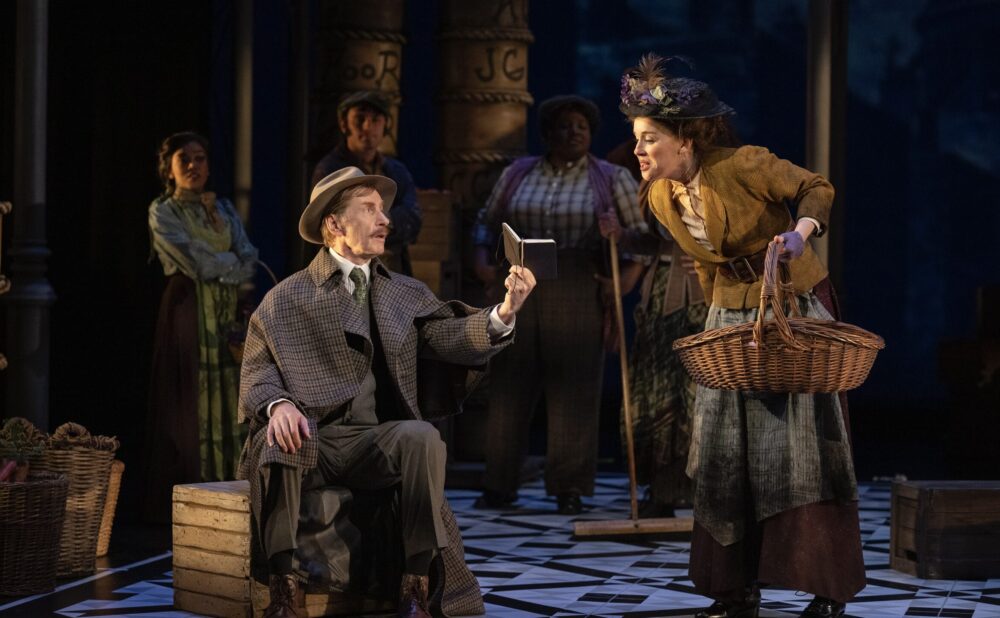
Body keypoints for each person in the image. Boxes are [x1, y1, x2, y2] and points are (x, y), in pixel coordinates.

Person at [618, 54, 865, 618]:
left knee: (800, 446)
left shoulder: (741, 164)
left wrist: (801, 235)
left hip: (792, 304)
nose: (638, 151)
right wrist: (719, 324)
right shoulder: (659, 197)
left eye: (649, 139)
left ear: (685, 141)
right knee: (723, 449)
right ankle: (735, 590)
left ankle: (827, 589)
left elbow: (815, 187)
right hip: (731, 317)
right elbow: (706, 264)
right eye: (637, 138)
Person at [238, 166, 536, 618]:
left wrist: (504, 311)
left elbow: (451, 335)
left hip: (371, 441)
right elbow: (258, 370)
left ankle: (414, 585)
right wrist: (278, 405)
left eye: (384, 210)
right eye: (370, 209)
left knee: (421, 436)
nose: (385, 220)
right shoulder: (287, 297)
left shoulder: (403, 292)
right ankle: (285, 587)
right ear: (334, 225)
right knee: (282, 440)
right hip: (313, 435)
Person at [471, 95, 648, 515]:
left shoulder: (609, 178)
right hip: (519, 280)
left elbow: (640, 240)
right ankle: (499, 483)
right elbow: (485, 220)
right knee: (510, 383)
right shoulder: (519, 173)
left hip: (577, 281)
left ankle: (568, 486)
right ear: (548, 133)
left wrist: (620, 262)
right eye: (565, 126)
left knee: (575, 389)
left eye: (581, 127)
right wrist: (480, 262)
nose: (574, 133)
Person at [146, 131, 258, 521]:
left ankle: (233, 486)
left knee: (232, 388)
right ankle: (193, 491)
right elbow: (194, 263)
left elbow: (250, 256)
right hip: (187, 309)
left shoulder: (224, 208)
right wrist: (227, 262)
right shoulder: (163, 210)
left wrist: (224, 263)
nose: (194, 166)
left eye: (200, 157)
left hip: (227, 311)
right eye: (184, 159)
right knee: (189, 397)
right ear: (169, 168)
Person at [604, 141, 710, 518]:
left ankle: (699, 490)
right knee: (656, 393)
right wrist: (622, 235)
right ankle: (662, 488)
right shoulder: (653, 180)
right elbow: (650, 240)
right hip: (661, 293)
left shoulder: (710, 179)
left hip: (704, 295)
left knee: (696, 394)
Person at [311, 90, 421, 275]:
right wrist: (387, 223)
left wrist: (369, 220)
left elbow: (413, 219)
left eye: (376, 120)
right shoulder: (331, 171)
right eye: (359, 119)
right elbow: (335, 227)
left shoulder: (396, 171)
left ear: (385, 125)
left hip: (392, 271)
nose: (368, 127)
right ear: (344, 124)